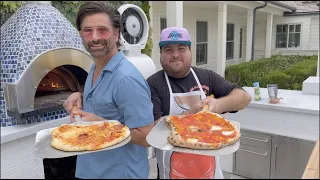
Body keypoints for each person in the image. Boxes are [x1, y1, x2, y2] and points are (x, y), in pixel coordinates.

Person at [63, 1, 154, 179]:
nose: (95, 37)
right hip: (93, 170)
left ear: (116, 33)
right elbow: (108, 100)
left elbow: (146, 136)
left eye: (102, 30)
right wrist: (80, 95)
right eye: (87, 30)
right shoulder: (95, 67)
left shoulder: (126, 78)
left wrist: (102, 126)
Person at [146, 27, 251, 179]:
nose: (175, 55)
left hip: (209, 170)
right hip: (172, 172)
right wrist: (191, 114)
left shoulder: (206, 76)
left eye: (181, 48)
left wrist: (218, 105)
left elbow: (244, 98)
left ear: (190, 51)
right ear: (161, 54)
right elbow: (154, 130)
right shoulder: (153, 84)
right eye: (168, 49)